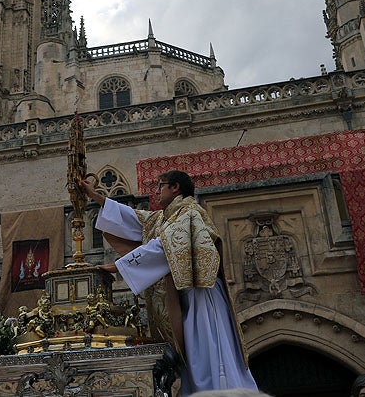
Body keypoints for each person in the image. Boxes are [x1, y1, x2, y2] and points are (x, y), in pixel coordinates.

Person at [79, 169, 258, 396]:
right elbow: (136, 219)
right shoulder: (167, 217)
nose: (156, 192)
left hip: (203, 295)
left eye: (160, 186)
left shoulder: (190, 213)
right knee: (195, 359)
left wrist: (118, 266)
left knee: (208, 357)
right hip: (187, 297)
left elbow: (164, 247)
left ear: (175, 188)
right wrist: (95, 196)